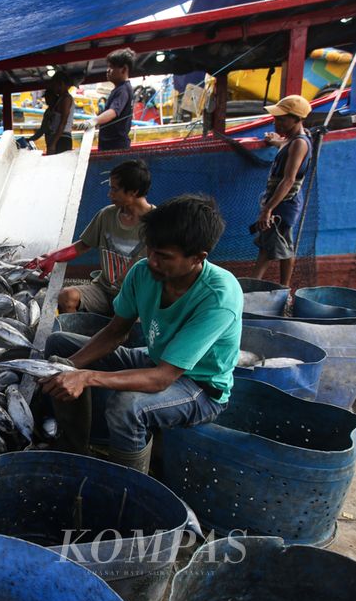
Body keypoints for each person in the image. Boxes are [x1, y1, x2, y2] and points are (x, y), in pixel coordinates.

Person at [39, 195, 242, 474]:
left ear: (198, 258)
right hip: (153, 360)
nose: (152, 261)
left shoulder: (218, 296)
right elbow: (115, 332)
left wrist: (85, 377)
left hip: (198, 387)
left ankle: (129, 485)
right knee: (60, 345)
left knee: (126, 407)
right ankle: (75, 451)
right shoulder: (142, 272)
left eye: (164, 257)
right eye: (150, 250)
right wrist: (70, 367)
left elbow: (163, 378)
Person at [28, 159, 154, 314]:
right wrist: (52, 257)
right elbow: (82, 246)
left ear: (133, 191)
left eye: (114, 190)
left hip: (137, 297)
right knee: (67, 297)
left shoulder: (157, 223)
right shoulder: (107, 214)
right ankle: (75, 330)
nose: (110, 194)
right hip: (103, 290)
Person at [252, 94, 312, 285]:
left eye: (282, 119)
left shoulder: (300, 143)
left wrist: (268, 209)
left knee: (267, 248)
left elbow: (288, 180)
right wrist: (274, 141)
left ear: (297, 119)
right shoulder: (291, 140)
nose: (276, 122)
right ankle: (284, 290)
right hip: (284, 202)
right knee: (283, 245)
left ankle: (252, 288)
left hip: (284, 203)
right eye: (276, 118)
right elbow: (285, 145)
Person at [80, 48, 136, 151]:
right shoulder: (120, 89)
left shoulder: (123, 90)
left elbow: (113, 111)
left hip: (115, 146)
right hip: (112, 144)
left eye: (111, 67)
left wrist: (94, 121)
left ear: (123, 69)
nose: (108, 70)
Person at [47, 72, 76, 154]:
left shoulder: (66, 99)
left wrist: (53, 143)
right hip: (58, 137)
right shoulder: (61, 98)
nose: (53, 87)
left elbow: (63, 122)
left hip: (62, 138)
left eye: (54, 85)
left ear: (61, 84)